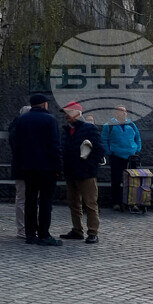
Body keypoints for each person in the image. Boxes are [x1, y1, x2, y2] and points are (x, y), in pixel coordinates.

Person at [10, 94, 63, 247]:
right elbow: (55, 146)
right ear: (44, 104)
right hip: (47, 168)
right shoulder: (50, 120)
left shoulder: (21, 120)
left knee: (30, 201)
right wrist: (59, 168)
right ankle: (44, 234)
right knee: (46, 202)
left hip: (27, 168)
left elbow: (17, 145)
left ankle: (30, 234)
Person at [59, 102, 105, 244]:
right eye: (65, 113)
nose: (66, 116)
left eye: (69, 113)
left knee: (90, 203)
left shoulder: (89, 128)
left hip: (86, 172)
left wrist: (88, 163)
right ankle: (77, 230)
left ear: (77, 113)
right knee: (74, 203)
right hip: (71, 171)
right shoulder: (67, 130)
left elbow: (99, 150)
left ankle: (92, 232)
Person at [102, 105, 142, 211]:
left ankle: (133, 203)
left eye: (125, 112)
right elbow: (104, 139)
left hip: (131, 156)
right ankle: (116, 202)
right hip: (116, 156)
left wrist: (138, 148)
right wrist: (109, 151)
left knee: (133, 181)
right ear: (115, 113)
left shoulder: (131, 124)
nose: (123, 113)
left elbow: (137, 137)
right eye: (121, 112)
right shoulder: (108, 125)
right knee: (116, 180)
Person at [8, 105, 31, 239]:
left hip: (21, 167)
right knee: (23, 197)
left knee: (22, 198)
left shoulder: (15, 127)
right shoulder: (19, 128)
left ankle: (23, 228)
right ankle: (23, 228)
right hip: (25, 167)